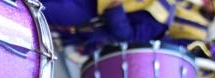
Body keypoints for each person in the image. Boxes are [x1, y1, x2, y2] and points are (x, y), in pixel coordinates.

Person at [42, 0, 177, 49]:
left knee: (38, 11)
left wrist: (116, 11)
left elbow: (127, 37)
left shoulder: (162, 15)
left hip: (89, 11)